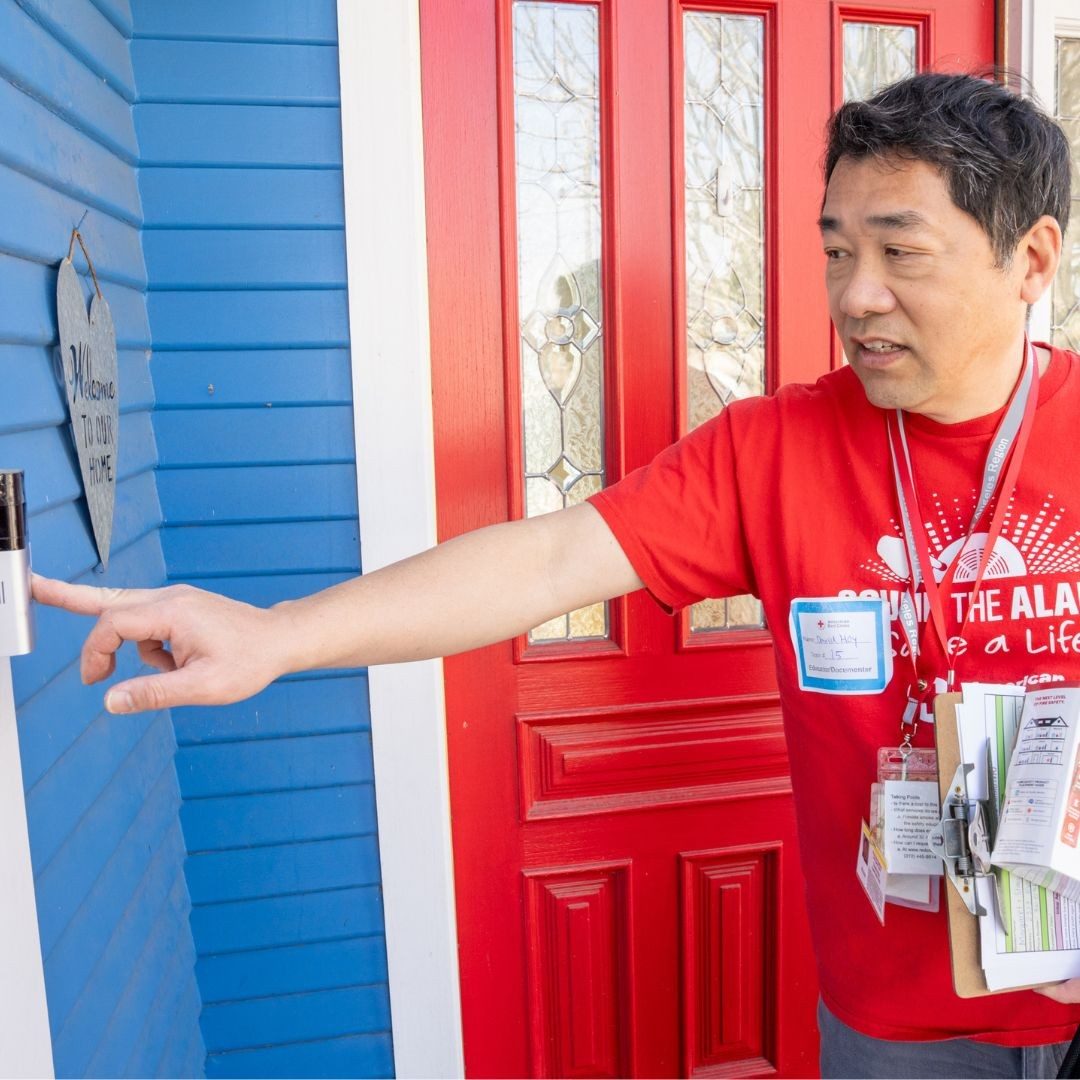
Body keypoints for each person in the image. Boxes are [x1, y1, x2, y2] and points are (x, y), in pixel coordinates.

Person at [31, 73, 1080, 1077]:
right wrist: (284, 633)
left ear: (1030, 260)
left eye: (900, 251)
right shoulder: (777, 446)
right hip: (896, 1014)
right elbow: (548, 556)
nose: (856, 294)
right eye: (838, 250)